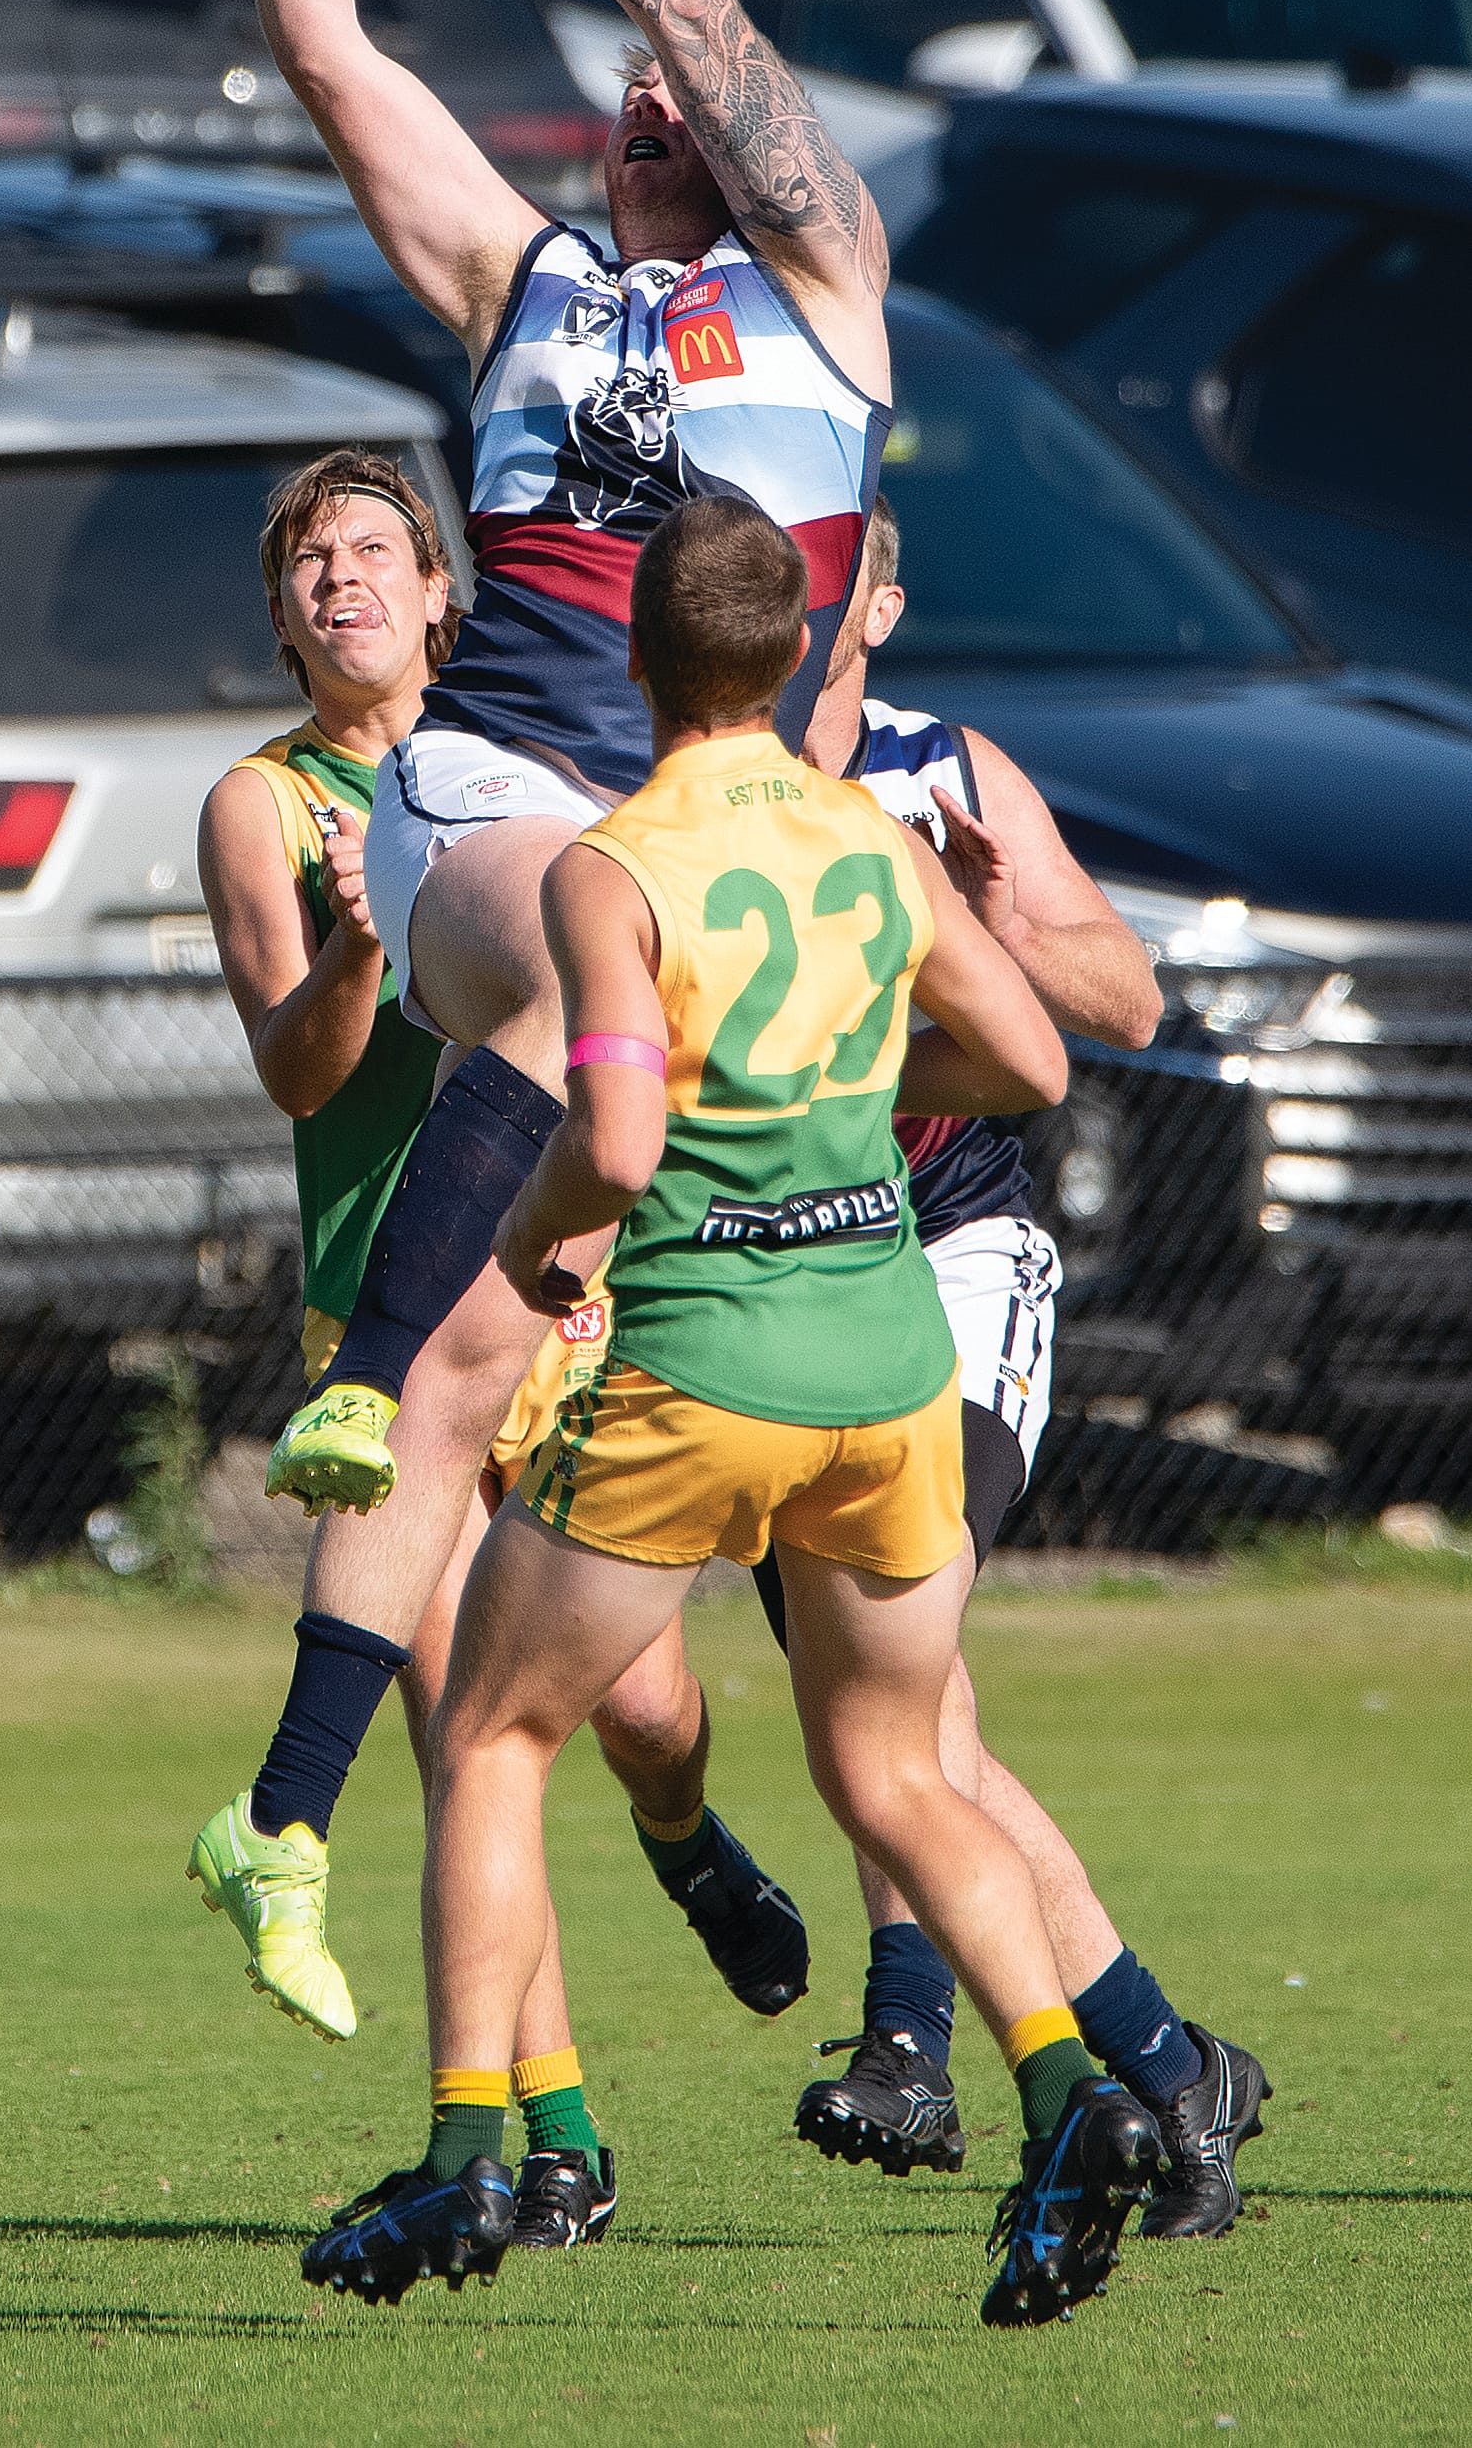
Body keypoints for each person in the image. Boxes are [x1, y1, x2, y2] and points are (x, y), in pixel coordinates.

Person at [192, 0, 894, 1993]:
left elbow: (695, 2)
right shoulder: (523, 287)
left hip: (716, 864)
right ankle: (361, 1376)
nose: (651, 86)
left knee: (524, 1385)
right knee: (559, 969)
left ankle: (283, 1814)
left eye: (686, 85)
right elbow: (329, 60)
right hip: (493, 804)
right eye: (629, 86)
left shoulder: (822, 291)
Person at [302, 498, 1167, 2330]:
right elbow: (1031, 1055)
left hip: (707, 1363)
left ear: (627, 658)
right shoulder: (871, 827)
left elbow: (615, 1140)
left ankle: (472, 2149)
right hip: (887, 1369)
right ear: (796, 654)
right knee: (903, 1767)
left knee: (500, 1728)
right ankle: (1074, 2096)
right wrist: (846, 1095)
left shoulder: (609, 864)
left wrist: (536, 1245)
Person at [187, 447, 803, 2251]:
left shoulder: (517, 784)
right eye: (308, 558)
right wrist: (357, 964)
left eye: (376, 548)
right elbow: (295, 1072)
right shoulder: (268, 804)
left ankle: (687, 1838)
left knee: (643, 1707)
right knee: (479, 1730)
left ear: (445, 593)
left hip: (568, 1302)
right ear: (285, 610)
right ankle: (554, 2134)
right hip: (395, 1316)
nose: (342, 578)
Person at [778, 496, 1271, 2235]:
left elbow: (1126, 1004)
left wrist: (1007, 929)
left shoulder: (942, 772)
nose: (802, 579)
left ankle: (922, 2033)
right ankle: (1166, 2061)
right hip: (784, 1282)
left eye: (834, 555)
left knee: (892, 1665)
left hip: (950, 1254)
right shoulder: (694, 773)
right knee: (883, 1709)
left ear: (880, 599)